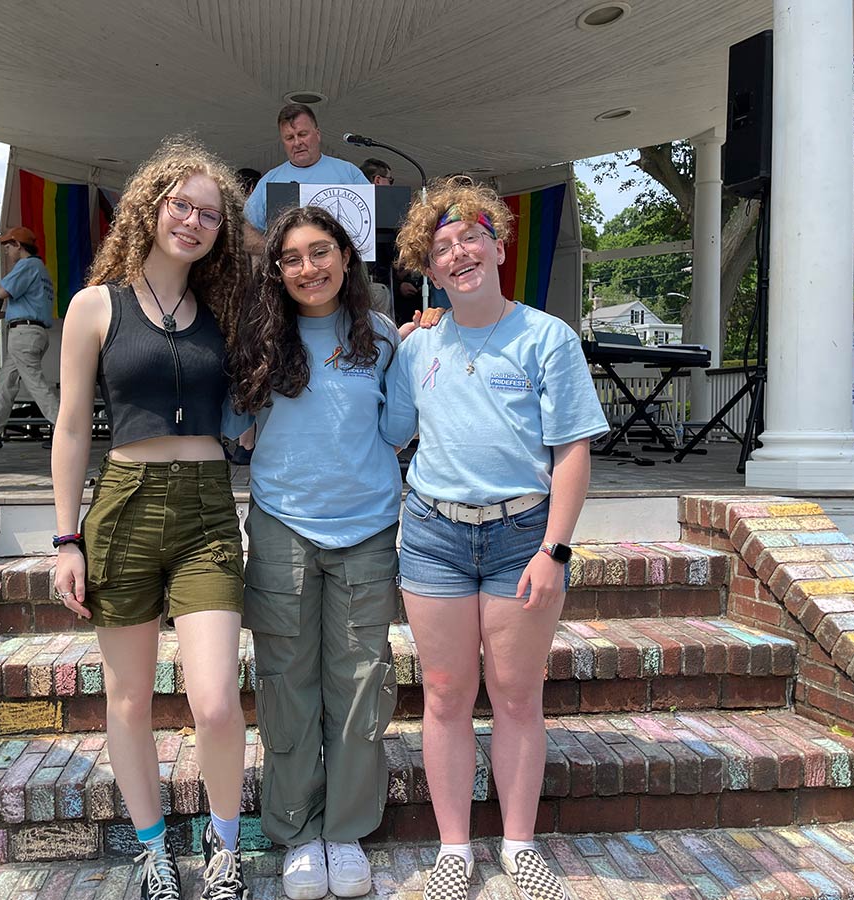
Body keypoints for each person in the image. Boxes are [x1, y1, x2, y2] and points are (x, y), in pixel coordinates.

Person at [385, 178, 608, 900]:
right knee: (447, 695)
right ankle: (455, 847)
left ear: (499, 242)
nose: (458, 255)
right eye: (441, 247)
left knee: (515, 696)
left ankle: (518, 843)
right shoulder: (419, 349)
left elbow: (572, 450)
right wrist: (391, 342)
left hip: (521, 538)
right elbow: (389, 430)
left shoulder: (547, 337)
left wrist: (555, 550)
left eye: (469, 238)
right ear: (430, 266)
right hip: (434, 536)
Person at [51, 139, 251, 900]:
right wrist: (66, 536)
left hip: (205, 510)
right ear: (151, 205)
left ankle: (226, 848)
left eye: (209, 212)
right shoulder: (95, 304)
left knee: (215, 701)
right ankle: (152, 849)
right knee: (129, 699)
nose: (193, 221)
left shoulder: (224, 312)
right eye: (181, 205)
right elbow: (72, 429)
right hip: (122, 509)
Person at [230, 206, 431, 900]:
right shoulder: (258, 335)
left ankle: (344, 831)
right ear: (277, 270)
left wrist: (432, 335)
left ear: (347, 257)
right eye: (291, 257)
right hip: (283, 526)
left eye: (321, 252)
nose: (308, 268)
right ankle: (295, 831)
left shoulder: (378, 335)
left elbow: (401, 425)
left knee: (359, 686)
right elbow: (231, 421)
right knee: (287, 687)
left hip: (367, 530)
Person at [0, 225, 60, 450]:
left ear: (19, 246)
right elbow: (32, 305)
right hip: (32, 331)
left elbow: (3, 293)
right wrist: (4, 315)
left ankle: (64, 429)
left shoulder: (27, 265)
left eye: (8, 247)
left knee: (36, 384)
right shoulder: (41, 270)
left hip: (24, 335)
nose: (7, 252)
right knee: (5, 382)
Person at [243, 103, 370, 254]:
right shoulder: (270, 181)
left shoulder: (348, 172)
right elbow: (242, 230)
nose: (297, 143)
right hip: (290, 271)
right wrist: (275, 250)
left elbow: (375, 218)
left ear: (317, 134)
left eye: (303, 134)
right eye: (290, 137)